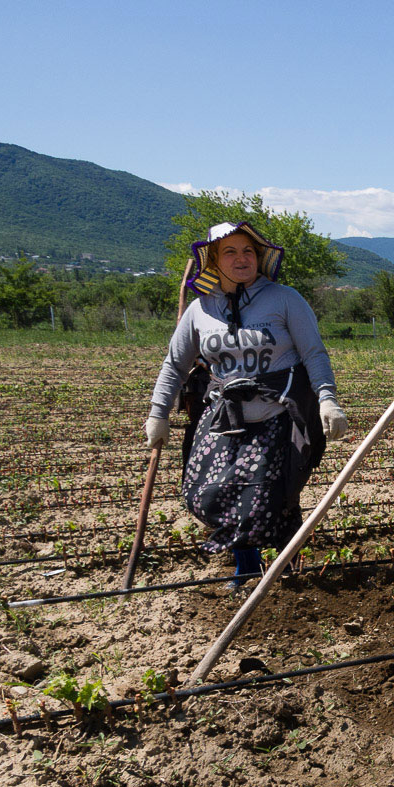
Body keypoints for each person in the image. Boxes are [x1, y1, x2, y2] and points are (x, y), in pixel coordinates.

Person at [145, 221, 348, 590]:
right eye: (230, 252)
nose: (241, 259)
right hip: (224, 415)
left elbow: (314, 353)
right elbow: (175, 364)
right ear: (213, 260)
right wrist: (158, 413)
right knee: (208, 493)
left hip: (278, 414)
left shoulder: (285, 298)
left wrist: (327, 399)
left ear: (259, 257)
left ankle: (278, 574)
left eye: (248, 251)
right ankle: (249, 566)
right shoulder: (199, 310)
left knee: (271, 497)